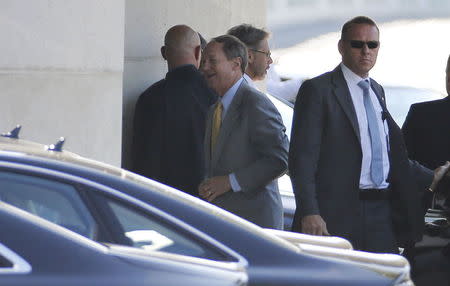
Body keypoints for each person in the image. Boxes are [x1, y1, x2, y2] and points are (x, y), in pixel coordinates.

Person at [288, 16, 447, 253]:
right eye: (357, 44)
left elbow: (387, 153)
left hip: (380, 211)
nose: (366, 51)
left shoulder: (376, 91)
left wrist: (432, 177)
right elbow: (302, 158)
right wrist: (310, 211)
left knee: (384, 275)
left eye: (372, 45)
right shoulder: (318, 90)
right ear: (342, 47)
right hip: (336, 212)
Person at [198, 35, 289, 229]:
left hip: (255, 224)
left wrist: (229, 182)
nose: (204, 67)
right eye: (203, 61)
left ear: (236, 64)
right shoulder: (215, 108)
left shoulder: (255, 103)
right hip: (225, 222)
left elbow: (280, 159)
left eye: (212, 61)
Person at [131, 25, 216, 197]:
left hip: (166, 203)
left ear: (164, 53)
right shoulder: (216, 93)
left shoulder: (149, 99)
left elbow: (144, 162)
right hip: (212, 201)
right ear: (199, 51)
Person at [402, 55, 450, 196]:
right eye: (449, 72)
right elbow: (399, 162)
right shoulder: (420, 114)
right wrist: (431, 176)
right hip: (429, 205)